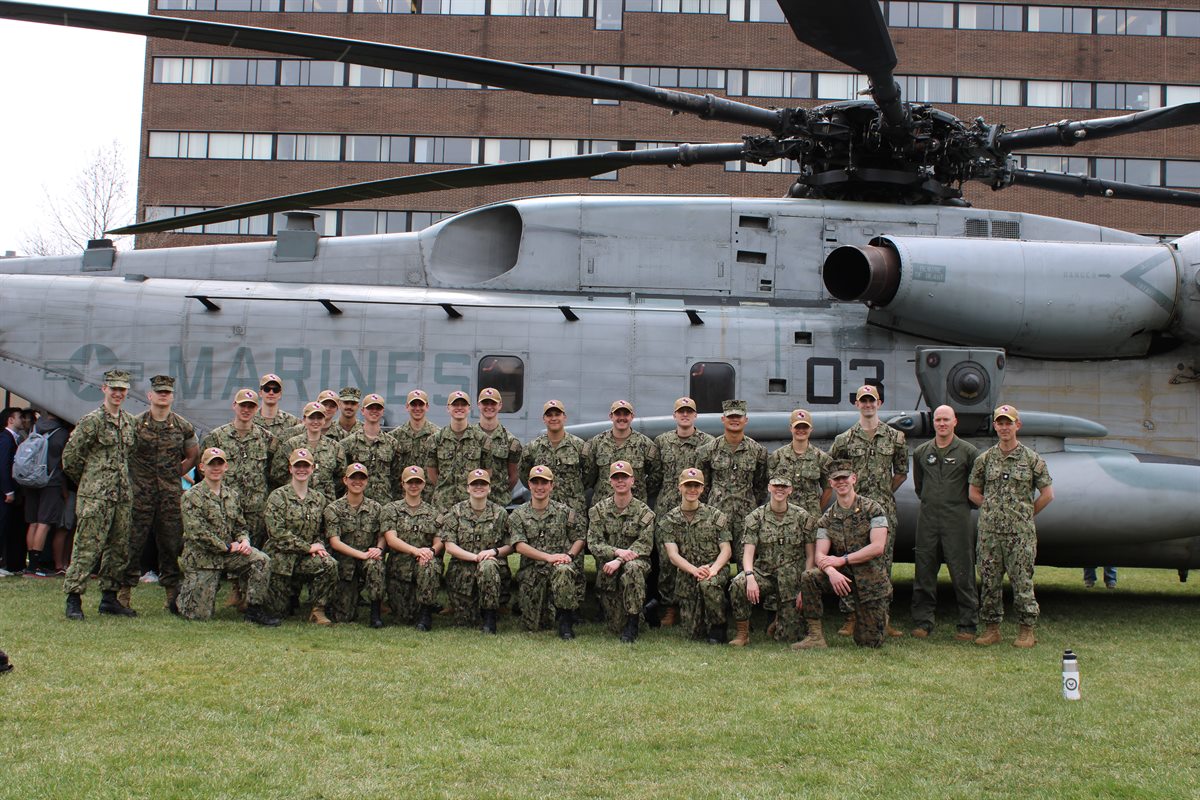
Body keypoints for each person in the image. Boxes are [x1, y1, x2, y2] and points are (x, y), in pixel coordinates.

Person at [969, 404, 1054, 648]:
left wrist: (1026, 515)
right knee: (989, 581)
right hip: (990, 534)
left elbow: (1047, 494)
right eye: (1000, 423)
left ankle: (1026, 630)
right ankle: (991, 628)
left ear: (1018, 425)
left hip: (1020, 534)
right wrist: (991, 508)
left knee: (1022, 581)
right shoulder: (985, 459)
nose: (1004, 427)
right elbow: (973, 491)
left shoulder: (1032, 459)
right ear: (995, 426)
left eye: (1009, 423)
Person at [829, 384, 908, 638]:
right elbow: (833, 471)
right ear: (856, 405)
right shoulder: (844, 440)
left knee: (882, 565)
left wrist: (882, 492)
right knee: (850, 561)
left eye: (871, 400)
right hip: (852, 512)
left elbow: (901, 473)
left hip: (883, 510)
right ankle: (851, 617)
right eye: (863, 401)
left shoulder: (896, 438)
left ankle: (882, 618)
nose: (867, 405)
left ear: (879, 403)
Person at [60, 369, 137, 621]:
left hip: (122, 496)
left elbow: (128, 456)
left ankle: (109, 597)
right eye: (113, 388)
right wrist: (90, 482)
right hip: (96, 497)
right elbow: (70, 457)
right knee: (87, 547)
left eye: (122, 389)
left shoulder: (128, 421)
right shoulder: (92, 420)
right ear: (104, 389)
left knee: (118, 548)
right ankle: (74, 598)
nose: (118, 393)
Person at [121, 374, 200, 615]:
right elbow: (124, 453)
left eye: (167, 392)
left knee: (170, 543)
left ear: (172, 397)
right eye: (159, 392)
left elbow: (193, 454)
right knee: (132, 543)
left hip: (169, 495)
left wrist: (175, 473)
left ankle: (171, 596)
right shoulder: (135, 424)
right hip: (140, 493)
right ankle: (123, 595)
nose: (163, 395)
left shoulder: (182, 426)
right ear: (150, 396)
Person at [793, 461, 891, 650]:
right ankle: (815, 637)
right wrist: (831, 571)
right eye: (836, 479)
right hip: (842, 575)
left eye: (845, 477)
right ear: (831, 483)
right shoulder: (827, 519)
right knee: (810, 577)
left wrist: (842, 559)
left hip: (870, 579)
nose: (841, 482)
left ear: (853, 479)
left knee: (869, 643)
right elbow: (820, 554)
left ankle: (875, 617)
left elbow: (878, 547)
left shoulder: (873, 509)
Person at [177, 447, 279, 626]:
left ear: (226, 467)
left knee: (261, 560)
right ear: (202, 467)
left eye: (219, 464)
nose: (215, 468)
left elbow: (240, 525)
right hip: (203, 557)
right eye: (211, 465)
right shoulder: (192, 496)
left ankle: (254, 609)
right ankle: (182, 598)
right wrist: (228, 546)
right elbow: (197, 533)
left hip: (229, 554)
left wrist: (244, 540)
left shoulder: (231, 495)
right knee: (198, 615)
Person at [909, 405, 980, 641]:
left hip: (957, 518)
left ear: (954, 422)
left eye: (946, 419)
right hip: (928, 517)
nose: (942, 423)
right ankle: (923, 621)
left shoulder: (969, 452)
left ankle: (968, 624)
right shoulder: (921, 452)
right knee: (924, 570)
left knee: (962, 571)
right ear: (934, 422)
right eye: (938, 419)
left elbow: (975, 489)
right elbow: (920, 487)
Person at [729, 475, 814, 647]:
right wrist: (750, 576)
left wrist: (805, 587)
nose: (780, 489)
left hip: (792, 578)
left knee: (788, 638)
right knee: (739, 583)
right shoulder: (756, 517)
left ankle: (779, 621)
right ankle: (742, 633)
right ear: (769, 488)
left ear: (790, 490)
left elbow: (811, 555)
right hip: (765, 573)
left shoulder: (802, 517)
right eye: (776, 486)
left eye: (784, 486)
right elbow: (748, 553)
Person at [652, 396, 714, 626]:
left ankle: (698, 604)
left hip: (697, 508)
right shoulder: (662, 441)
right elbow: (656, 475)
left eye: (689, 411)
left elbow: (711, 475)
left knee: (696, 555)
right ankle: (669, 607)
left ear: (695, 415)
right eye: (681, 411)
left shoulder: (708, 442)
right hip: (667, 508)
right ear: (675, 415)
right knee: (667, 560)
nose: (685, 415)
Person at [509, 465, 585, 639]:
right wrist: (548, 557)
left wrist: (569, 556)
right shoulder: (518, 515)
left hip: (557, 568)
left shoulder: (565, 512)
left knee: (564, 571)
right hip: (532, 572)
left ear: (552, 485)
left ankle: (565, 620)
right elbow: (519, 545)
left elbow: (579, 538)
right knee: (533, 625)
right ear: (529, 484)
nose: (540, 487)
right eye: (535, 482)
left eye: (544, 482)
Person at [263, 448, 337, 625]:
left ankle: (317, 609)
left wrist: (317, 547)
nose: (301, 470)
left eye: (306, 466)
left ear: (312, 469)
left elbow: (322, 530)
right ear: (290, 468)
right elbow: (276, 533)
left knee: (329, 564)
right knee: (277, 612)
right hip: (281, 559)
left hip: (306, 559)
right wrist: (307, 547)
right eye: (297, 466)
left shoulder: (319, 499)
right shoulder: (278, 496)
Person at [657, 468, 732, 644]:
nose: (692, 490)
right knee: (692, 632)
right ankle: (706, 617)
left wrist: (713, 570)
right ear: (679, 488)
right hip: (687, 572)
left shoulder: (716, 516)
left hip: (714, 569)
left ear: (702, 489)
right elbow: (673, 554)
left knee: (709, 585)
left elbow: (726, 550)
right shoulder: (669, 520)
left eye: (696, 486)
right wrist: (694, 570)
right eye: (688, 485)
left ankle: (718, 626)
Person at [200, 389, 278, 547]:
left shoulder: (267, 438)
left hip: (255, 509)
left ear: (257, 409)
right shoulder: (217, 437)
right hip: (223, 507)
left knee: (252, 552)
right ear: (234, 406)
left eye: (251, 406)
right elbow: (204, 471)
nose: (246, 410)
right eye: (243, 405)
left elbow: (272, 472)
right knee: (224, 549)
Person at [587, 461, 655, 643]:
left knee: (632, 567)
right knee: (615, 624)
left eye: (624, 477)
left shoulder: (644, 513)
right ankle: (643, 610)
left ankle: (633, 624)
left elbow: (645, 545)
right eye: (616, 478)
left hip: (636, 564)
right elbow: (593, 543)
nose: (620, 481)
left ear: (632, 480)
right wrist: (616, 552)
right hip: (608, 569)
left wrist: (620, 560)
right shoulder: (598, 511)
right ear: (610, 482)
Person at [697, 399, 768, 561]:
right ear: (723, 419)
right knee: (714, 562)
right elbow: (702, 485)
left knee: (746, 564)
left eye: (739, 416)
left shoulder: (758, 452)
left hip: (746, 518)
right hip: (716, 517)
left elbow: (761, 485)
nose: (734, 420)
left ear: (746, 420)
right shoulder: (708, 450)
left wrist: (749, 504)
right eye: (730, 416)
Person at [441, 468, 509, 633]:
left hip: (492, 569)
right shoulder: (455, 512)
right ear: (468, 488)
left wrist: (493, 552)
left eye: (483, 484)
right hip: (462, 571)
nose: (479, 487)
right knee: (465, 621)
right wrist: (475, 557)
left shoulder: (500, 513)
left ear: (489, 488)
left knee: (488, 566)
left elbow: (511, 545)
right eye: (474, 484)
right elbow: (449, 546)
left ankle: (490, 617)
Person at [325, 463, 386, 627]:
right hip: (345, 563)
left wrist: (378, 548)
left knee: (376, 565)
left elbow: (382, 535)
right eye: (353, 478)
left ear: (366, 481)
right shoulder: (334, 508)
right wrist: (362, 554)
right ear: (345, 480)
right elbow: (334, 542)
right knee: (343, 617)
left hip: (368, 559)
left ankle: (375, 613)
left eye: (362, 478)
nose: (357, 482)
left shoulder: (376, 508)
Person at [382, 465, 443, 631]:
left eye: (418, 482)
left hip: (423, 564)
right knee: (404, 617)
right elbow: (391, 539)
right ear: (403, 484)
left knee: (430, 565)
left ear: (424, 484)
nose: (414, 486)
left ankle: (426, 613)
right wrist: (416, 551)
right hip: (399, 568)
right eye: (410, 482)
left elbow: (439, 541)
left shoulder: (433, 512)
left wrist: (430, 552)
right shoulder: (391, 509)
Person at [582, 400, 661, 506]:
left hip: (634, 508)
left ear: (632, 416)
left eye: (626, 414)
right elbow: (589, 475)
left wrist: (638, 488)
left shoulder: (645, 444)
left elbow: (656, 474)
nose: (622, 418)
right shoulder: (597, 443)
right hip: (603, 508)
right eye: (618, 414)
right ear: (611, 416)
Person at [21, 411, 71, 577]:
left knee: (33, 522)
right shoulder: (62, 433)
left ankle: (30, 565)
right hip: (51, 481)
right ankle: (36, 564)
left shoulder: (35, 428)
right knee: (44, 523)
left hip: (30, 479)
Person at [425, 390, 488, 510]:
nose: (459, 408)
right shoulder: (436, 439)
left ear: (469, 408)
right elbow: (432, 473)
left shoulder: (482, 439)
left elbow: (487, 472)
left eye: (463, 405)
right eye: (455, 405)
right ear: (448, 408)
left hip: (471, 504)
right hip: (443, 505)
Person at [767, 408, 832, 518]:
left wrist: (816, 511)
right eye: (797, 427)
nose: (801, 430)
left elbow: (828, 488)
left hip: (809, 519)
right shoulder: (777, 456)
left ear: (811, 429)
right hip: (783, 518)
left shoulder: (821, 458)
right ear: (791, 428)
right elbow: (768, 485)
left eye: (805, 427)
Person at [275, 401, 346, 499]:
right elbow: (277, 473)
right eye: (311, 418)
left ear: (324, 420)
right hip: (296, 502)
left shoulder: (335, 447)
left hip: (326, 501)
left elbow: (342, 476)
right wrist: (297, 483)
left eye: (319, 418)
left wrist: (327, 488)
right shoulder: (291, 445)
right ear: (304, 419)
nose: (315, 421)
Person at [340, 393, 397, 505]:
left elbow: (396, 476)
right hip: (357, 504)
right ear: (362, 411)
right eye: (370, 408)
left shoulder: (392, 444)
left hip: (384, 504)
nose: (374, 411)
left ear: (383, 412)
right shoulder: (348, 443)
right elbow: (342, 476)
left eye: (378, 408)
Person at [387, 389, 439, 503]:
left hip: (429, 498)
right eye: (413, 404)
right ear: (407, 407)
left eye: (421, 404)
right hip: (401, 498)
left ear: (427, 407)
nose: (417, 408)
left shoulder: (437, 436)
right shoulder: (395, 437)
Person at [474, 387, 521, 507]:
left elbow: (513, 476)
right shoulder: (469, 437)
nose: (489, 406)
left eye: (493, 403)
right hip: (472, 503)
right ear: (479, 405)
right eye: (485, 403)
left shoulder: (511, 442)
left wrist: (498, 493)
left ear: (500, 405)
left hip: (499, 504)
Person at [0, 407, 20, 575]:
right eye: (20, 417)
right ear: (11, 420)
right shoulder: (6, 439)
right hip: (3, 492)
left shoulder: (11, 439)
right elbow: (3, 466)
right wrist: (8, 490)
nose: (23, 420)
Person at [253, 372, 299, 439]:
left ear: (280, 394)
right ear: (260, 393)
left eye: (275, 390)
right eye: (267, 389)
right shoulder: (250, 419)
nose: (271, 393)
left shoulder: (292, 423)